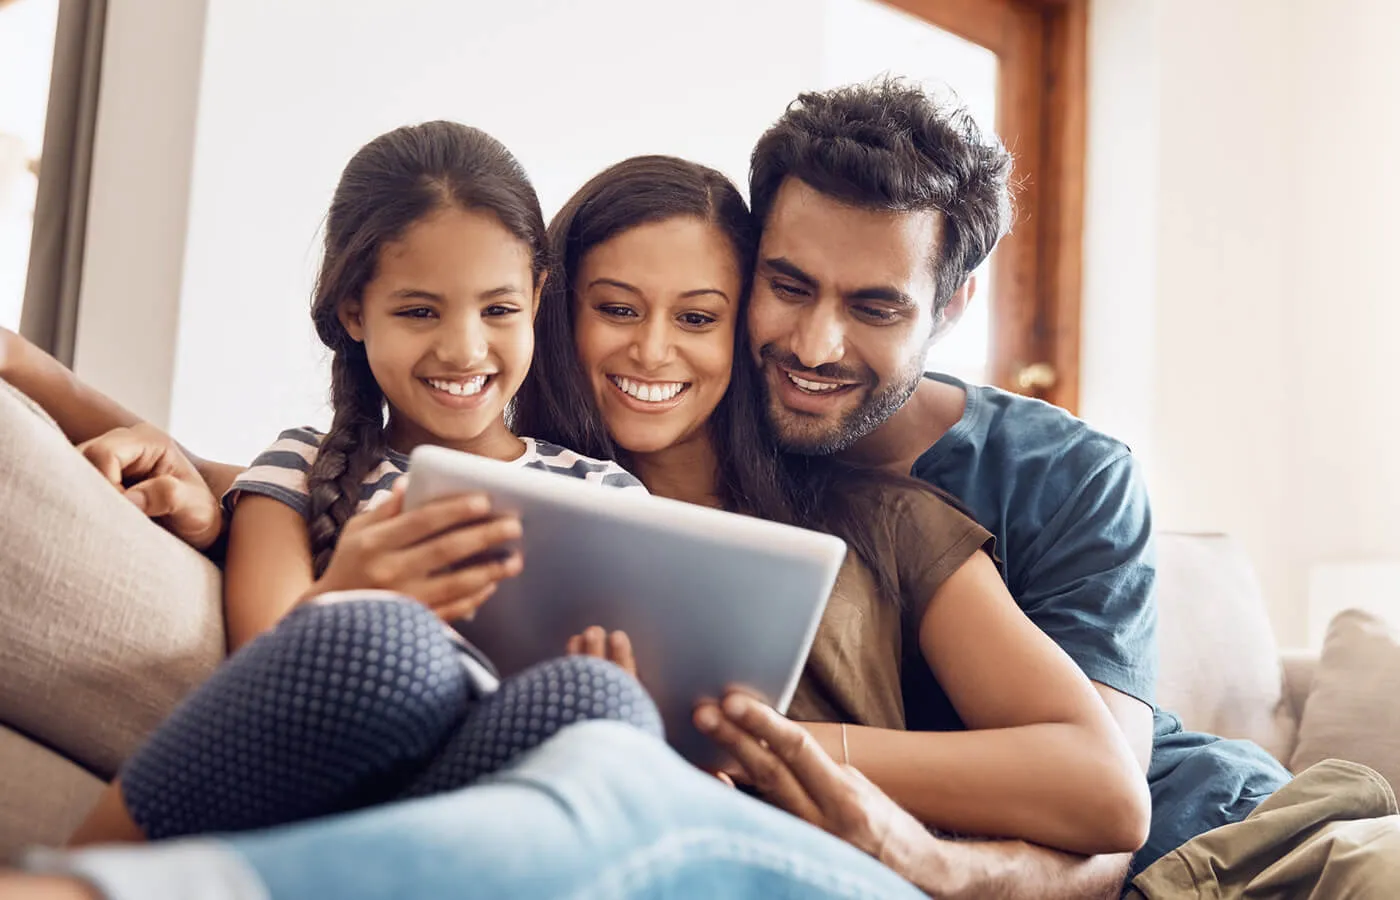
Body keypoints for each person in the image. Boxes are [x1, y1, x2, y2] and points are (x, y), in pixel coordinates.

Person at [513, 153, 1149, 855]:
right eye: (616, 308)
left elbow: (1108, 791)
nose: (653, 349)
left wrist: (759, 747)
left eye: (697, 315)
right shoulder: (522, 508)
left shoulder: (887, 521)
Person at [65, 120, 662, 848]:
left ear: (537, 299)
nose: (464, 347)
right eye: (418, 311)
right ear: (355, 311)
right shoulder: (298, 473)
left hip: (490, 820)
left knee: (596, 698)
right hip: (326, 798)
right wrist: (344, 590)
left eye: (498, 309)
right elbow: (261, 691)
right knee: (387, 640)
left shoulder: (606, 496)